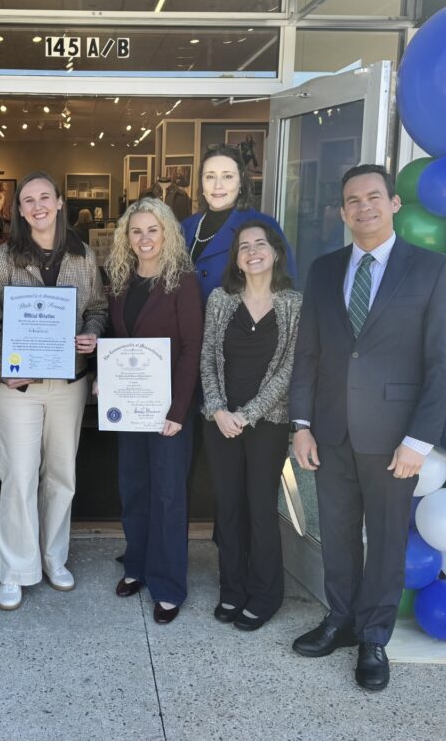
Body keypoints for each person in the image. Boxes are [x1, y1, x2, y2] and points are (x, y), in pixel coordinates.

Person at [288, 164, 446, 691]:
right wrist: (301, 424)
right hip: (331, 431)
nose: (363, 207)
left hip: (394, 439)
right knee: (338, 535)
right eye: (352, 201)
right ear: (341, 212)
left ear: (393, 204)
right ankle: (340, 620)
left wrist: (419, 440)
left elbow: (443, 362)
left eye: (372, 197)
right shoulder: (323, 270)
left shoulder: (431, 270)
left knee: (386, 540)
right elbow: (308, 354)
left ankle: (374, 637)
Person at [0, 171, 108, 611]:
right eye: (28, 200)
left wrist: (91, 334)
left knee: (61, 476)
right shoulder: (4, 258)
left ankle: (53, 558)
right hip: (17, 388)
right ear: (20, 210)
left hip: (69, 384)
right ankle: (15, 569)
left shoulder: (83, 256)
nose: (37, 206)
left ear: (60, 202)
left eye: (44, 197)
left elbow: (99, 309)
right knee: (19, 476)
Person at [99, 198, 202, 624]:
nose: (144, 239)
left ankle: (168, 585)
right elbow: (114, 338)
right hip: (131, 409)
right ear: (127, 236)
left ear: (167, 235)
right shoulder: (120, 280)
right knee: (135, 489)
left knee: (167, 496)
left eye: (153, 230)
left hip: (169, 413)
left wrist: (178, 410)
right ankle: (137, 566)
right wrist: (104, 374)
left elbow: (192, 349)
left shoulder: (184, 282)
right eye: (136, 231)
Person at [199, 220, 301, 632]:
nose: (253, 251)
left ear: (275, 253)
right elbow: (207, 357)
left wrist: (249, 413)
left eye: (261, 244)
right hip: (220, 422)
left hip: (268, 422)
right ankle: (232, 588)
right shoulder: (220, 299)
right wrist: (219, 409)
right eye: (244, 246)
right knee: (228, 508)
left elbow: (290, 369)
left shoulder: (295, 303)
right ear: (236, 259)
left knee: (260, 507)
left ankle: (265, 594)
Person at [182, 145, 295, 302]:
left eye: (227, 176)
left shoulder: (263, 225)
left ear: (241, 180)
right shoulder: (185, 227)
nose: (217, 185)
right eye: (210, 176)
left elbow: (285, 287)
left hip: (238, 325)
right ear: (202, 181)